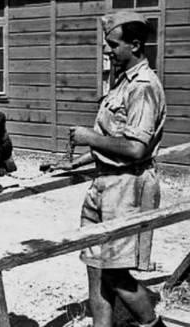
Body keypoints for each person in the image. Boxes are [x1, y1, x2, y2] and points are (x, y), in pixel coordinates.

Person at [51, 11, 167, 327]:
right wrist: (83, 158)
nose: (107, 50)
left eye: (112, 44)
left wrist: (89, 137)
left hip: (128, 187)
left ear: (135, 44)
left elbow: (136, 149)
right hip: (103, 184)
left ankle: (154, 325)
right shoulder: (120, 83)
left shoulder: (143, 87)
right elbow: (115, 139)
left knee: (116, 274)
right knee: (95, 268)